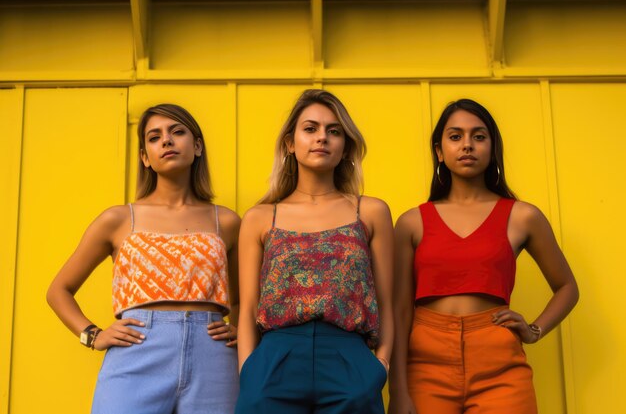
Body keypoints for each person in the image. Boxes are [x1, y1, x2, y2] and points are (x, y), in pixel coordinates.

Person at [47, 104, 241, 414]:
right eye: (155, 137)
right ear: (144, 157)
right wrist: (93, 335)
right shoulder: (118, 219)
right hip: (138, 350)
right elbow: (58, 290)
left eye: (177, 132)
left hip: (213, 356)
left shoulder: (227, 222)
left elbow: (243, 301)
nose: (167, 141)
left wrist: (242, 331)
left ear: (197, 146)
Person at [389, 99, 579, 414]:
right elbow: (398, 311)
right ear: (439, 151)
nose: (467, 145)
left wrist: (534, 330)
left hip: (500, 364)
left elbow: (567, 287)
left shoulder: (523, 216)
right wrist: (398, 390)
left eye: (479, 136)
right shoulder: (411, 222)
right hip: (425, 366)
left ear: (492, 147)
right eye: (455, 136)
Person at [235, 89, 394, 414]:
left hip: (349, 359)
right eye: (310, 129)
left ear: (345, 145)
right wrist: (249, 372)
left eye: (333, 131)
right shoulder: (260, 217)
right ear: (290, 143)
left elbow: (386, 301)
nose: (322, 138)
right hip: (275, 359)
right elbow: (249, 306)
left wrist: (381, 366)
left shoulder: (371, 212)